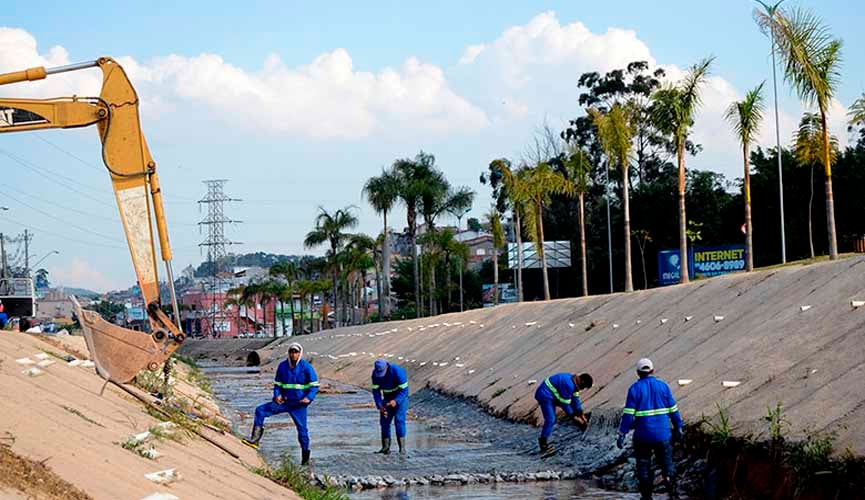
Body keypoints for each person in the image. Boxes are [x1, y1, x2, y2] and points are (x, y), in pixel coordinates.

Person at [242, 342, 319, 465]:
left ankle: (305, 459)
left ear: (300, 353)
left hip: (299, 405)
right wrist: (276, 395)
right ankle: (255, 440)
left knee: (302, 431)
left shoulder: (306, 367)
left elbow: (314, 386)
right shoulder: (283, 366)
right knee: (260, 410)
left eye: (296, 352)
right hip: (284, 402)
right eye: (291, 352)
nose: (293, 354)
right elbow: (277, 384)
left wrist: (308, 398)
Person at [616, 358, 683, 500]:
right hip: (663, 435)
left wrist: (622, 433)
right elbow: (673, 410)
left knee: (643, 466)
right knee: (667, 465)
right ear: (653, 371)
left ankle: (646, 496)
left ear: (638, 373)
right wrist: (678, 427)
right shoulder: (663, 386)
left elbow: (628, 415)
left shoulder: (634, 389)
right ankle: (673, 494)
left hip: (643, 436)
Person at [534, 372, 593, 457]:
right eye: (584, 387)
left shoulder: (574, 382)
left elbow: (575, 400)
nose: (582, 389)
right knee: (550, 419)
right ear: (582, 382)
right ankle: (543, 443)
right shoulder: (568, 385)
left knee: (573, 411)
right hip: (545, 395)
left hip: (553, 395)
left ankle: (580, 425)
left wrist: (581, 414)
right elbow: (565, 405)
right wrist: (575, 418)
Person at [371, 359, 409, 455]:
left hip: (400, 397)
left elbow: (404, 390)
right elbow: (376, 391)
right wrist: (379, 405)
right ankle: (385, 448)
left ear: (387, 366)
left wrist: (396, 401)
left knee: (399, 420)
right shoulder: (375, 375)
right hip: (387, 398)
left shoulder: (397, 371)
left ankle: (402, 449)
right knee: (384, 421)